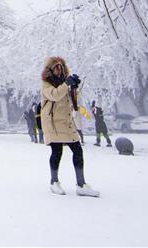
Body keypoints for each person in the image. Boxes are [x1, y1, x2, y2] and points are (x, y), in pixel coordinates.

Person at [40, 56, 99, 197]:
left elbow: (72, 101)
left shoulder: (63, 82)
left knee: (77, 150)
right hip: (53, 122)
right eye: (56, 67)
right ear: (50, 69)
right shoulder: (45, 83)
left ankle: (81, 184)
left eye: (61, 67)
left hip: (66, 122)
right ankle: (54, 182)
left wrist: (74, 87)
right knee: (57, 152)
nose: (59, 70)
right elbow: (54, 95)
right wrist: (66, 84)